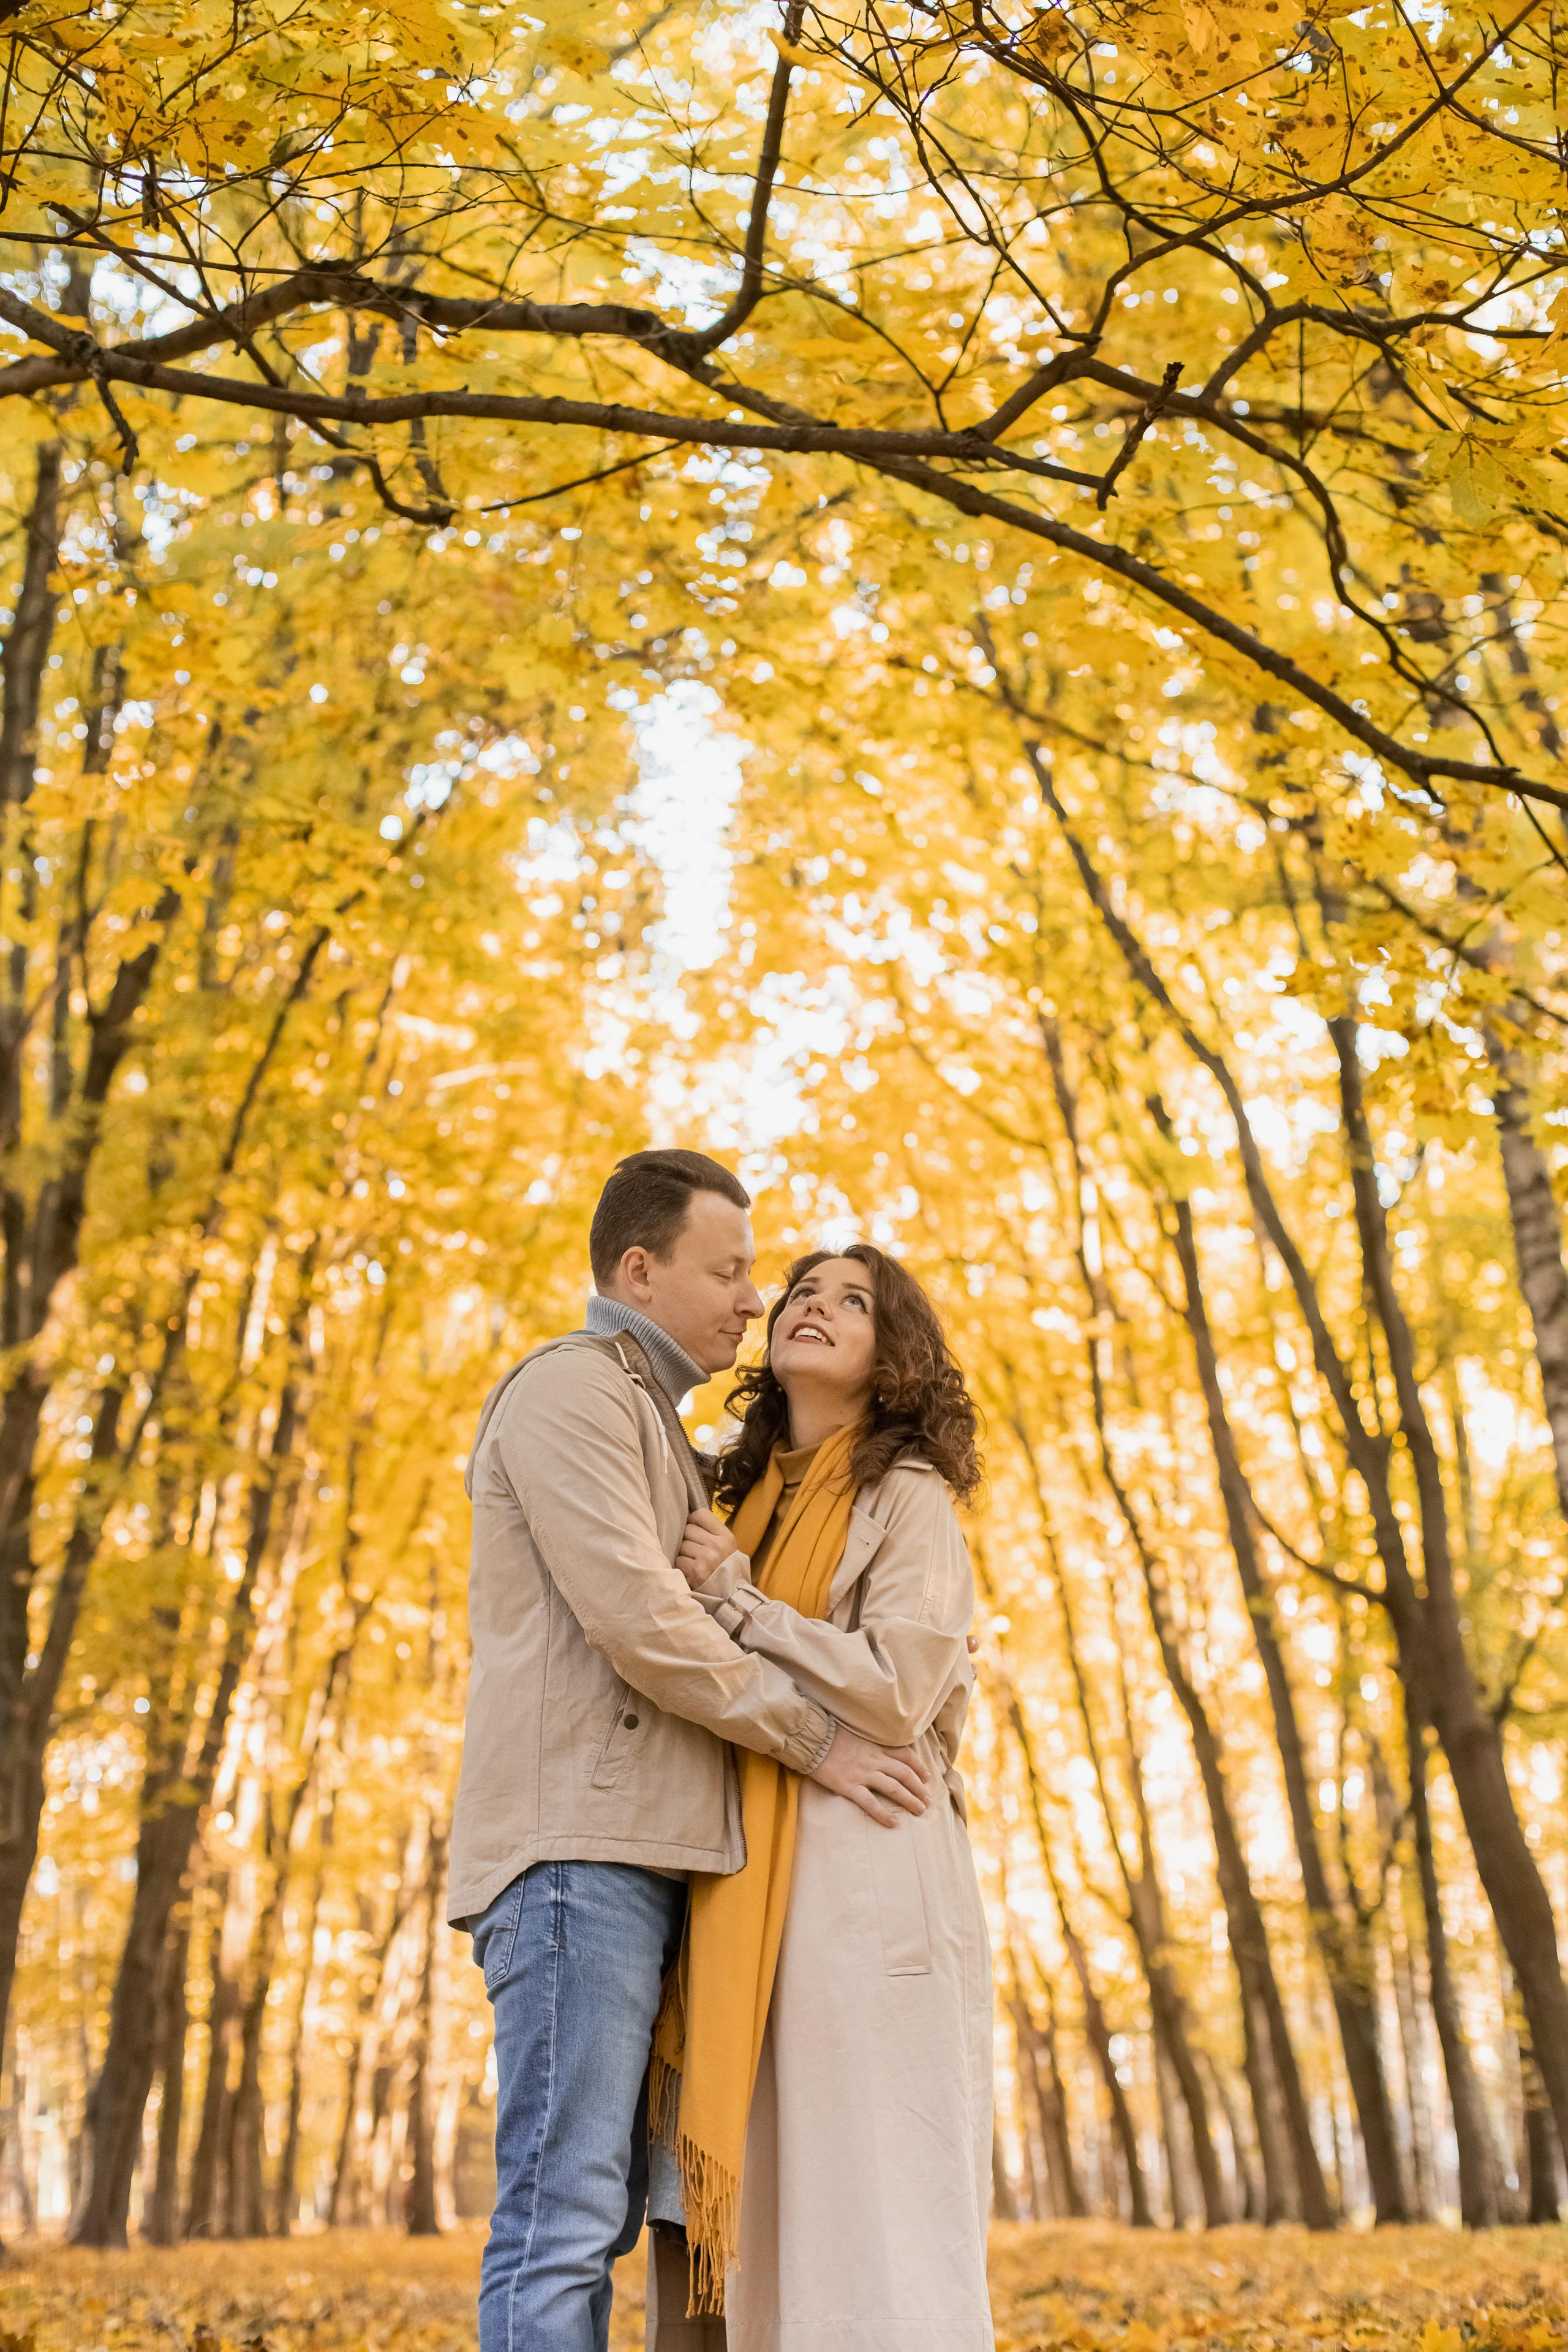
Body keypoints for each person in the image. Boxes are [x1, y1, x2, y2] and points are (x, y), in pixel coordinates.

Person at [448, 1152, 934, 2352]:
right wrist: (813, 1742)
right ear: (638, 1269)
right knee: (560, 2214)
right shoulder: (573, 1392)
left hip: (644, 1865)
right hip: (578, 1858)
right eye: (727, 1272)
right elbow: (639, 1619)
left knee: (596, 2211)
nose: (752, 1299)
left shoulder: (662, 1430)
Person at [651, 1243, 993, 2352]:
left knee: (869, 2180)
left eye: (856, 1302)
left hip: (869, 1856)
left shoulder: (907, 1496)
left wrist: (744, 1607)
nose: (816, 1307)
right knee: (777, 2189)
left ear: (892, 1356)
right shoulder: (735, 1499)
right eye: (804, 1291)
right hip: (750, 1872)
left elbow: (898, 1690)